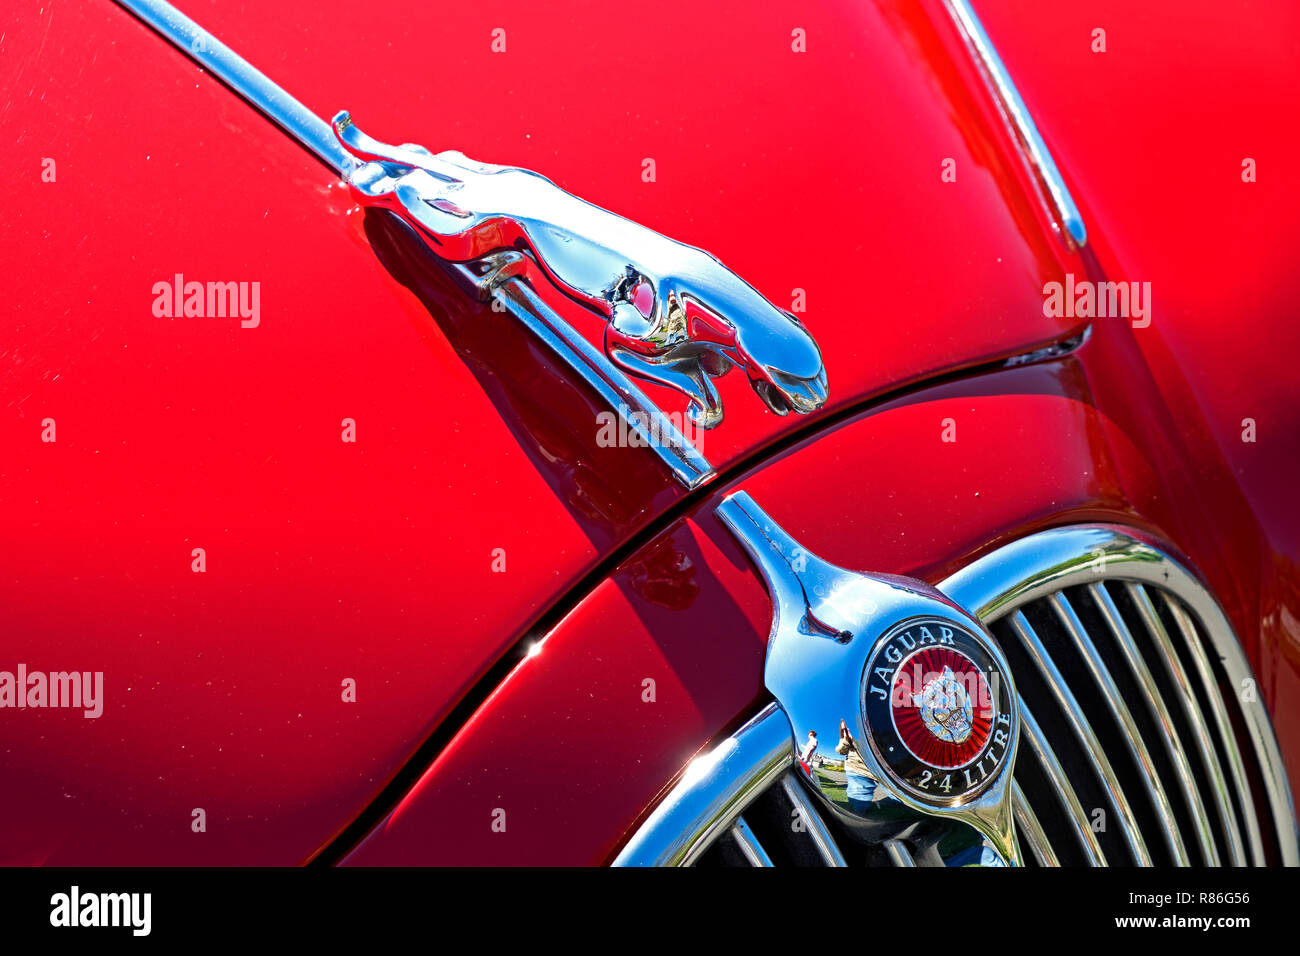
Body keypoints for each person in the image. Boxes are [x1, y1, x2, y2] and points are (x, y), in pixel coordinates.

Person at [837, 719, 878, 812]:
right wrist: (846, 740)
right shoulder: (844, 739)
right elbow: (840, 751)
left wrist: (854, 740)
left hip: (874, 769)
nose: (846, 731)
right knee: (857, 800)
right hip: (856, 770)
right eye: (843, 730)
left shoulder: (866, 733)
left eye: (846, 729)